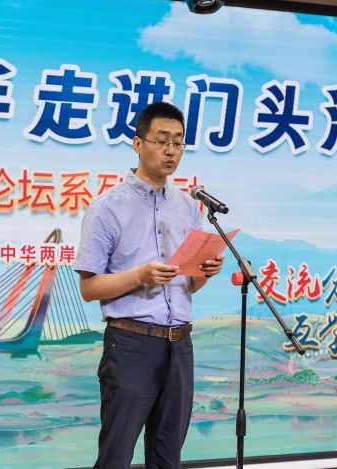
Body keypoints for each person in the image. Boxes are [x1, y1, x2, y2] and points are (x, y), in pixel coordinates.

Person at [75, 102, 224, 468]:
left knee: (167, 457)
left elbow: (188, 286)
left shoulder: (188, 207)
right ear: (138, 144)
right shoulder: (107, 207)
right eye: (161, 140)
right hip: (131, 344)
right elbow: (89, 289)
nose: (171, 150)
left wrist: (205, 271)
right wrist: (139, 276)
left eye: (178, 142)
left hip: (179, 346)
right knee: (116, 455)